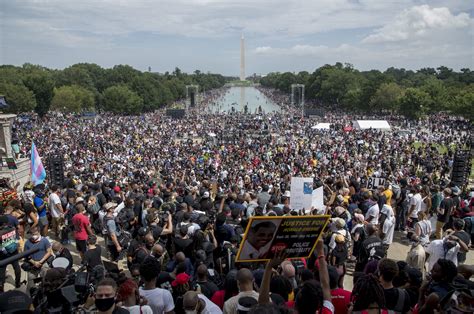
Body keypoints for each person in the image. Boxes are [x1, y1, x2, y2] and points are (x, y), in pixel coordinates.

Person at [23, 226, 52, 291]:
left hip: (43, 263)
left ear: (39, 232)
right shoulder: (27, 243)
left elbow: (49, 252)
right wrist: (34, 262)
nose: (33, 236)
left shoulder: (44, 240)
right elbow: (25, 255)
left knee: (47, 279)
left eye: (35, 234)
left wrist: (41, 262)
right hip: (32, 265)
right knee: (31, 282)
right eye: (32, 234)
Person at [0, 214, 21, 291]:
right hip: (14, 252)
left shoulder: (0, 232)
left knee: (1, 271)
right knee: (17, 267)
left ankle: (1, 287)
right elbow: (16, 239)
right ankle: (18, 283)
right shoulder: (12, 228)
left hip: (3, 255)